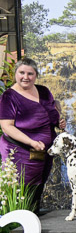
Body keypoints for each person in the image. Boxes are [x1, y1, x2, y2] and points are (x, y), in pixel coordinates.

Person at [0, 58, 67, 213]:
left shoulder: (43, 91)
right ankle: (18, 224)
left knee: (38, 188)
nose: (26, 77)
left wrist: (59, 123)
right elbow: (6, 126)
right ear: (15, 74)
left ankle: (34, 219)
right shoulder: (9, 97)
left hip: (44, 152)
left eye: (30, 73)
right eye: (21, 73)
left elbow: (51, 113)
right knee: (21, 192)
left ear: (36, 75)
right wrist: (31, 142)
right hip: (19, 152)